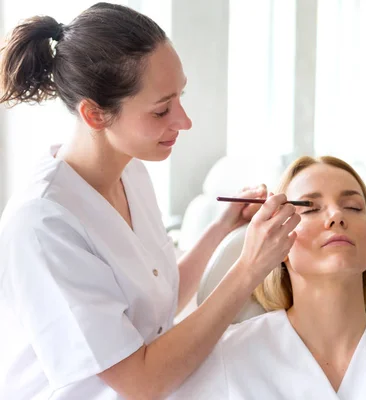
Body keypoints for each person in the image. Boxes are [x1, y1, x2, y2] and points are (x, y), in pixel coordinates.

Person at [0, 3, 300, 399]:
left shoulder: (130, 171)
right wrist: (249, 267)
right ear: (94, 115)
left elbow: (156, 309)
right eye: (162, 110)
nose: (184, 121)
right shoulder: (42, 224)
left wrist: (222, 227)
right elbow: (141, 382)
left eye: (180, 97)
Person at [177, 156, 366, 399]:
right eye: (310, 208)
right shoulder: (230, 356)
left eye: (354, 207)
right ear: (279, 243)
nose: (336, 216)